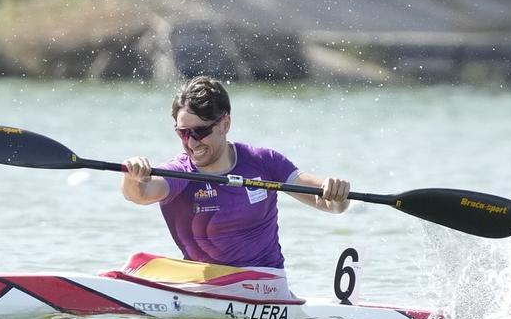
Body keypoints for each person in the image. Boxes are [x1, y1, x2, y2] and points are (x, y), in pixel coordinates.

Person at [120, 76, 350, 295]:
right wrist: (132, 176)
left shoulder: (264, 162)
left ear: (225, 124)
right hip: (205, 285)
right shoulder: (179, 172)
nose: (191, 142)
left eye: (200, 131)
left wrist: (338, 193)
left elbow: (330, 205)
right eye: (183, 133)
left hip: (264, 284)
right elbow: (140, 194)